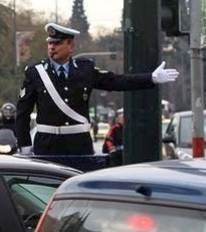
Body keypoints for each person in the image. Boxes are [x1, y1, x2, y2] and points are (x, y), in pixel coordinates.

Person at [16, 22, 179, 156]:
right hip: (47, 144)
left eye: (57, 43)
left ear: (71, 46)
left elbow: (115, 81)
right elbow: (23, 113)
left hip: (78, 143)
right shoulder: (35, 73)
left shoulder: (85, 70)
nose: (52, 47)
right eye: (50, 43)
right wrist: (24, 146)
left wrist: (150, 78)